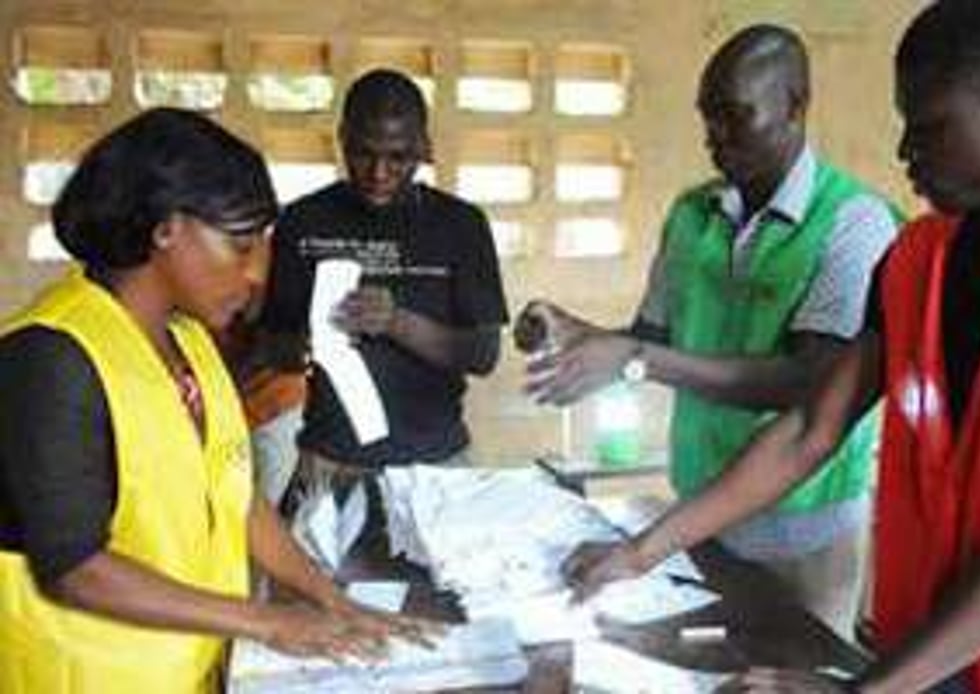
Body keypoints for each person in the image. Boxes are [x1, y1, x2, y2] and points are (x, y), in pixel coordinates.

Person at [564, 1, 980, 691]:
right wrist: (640, 552)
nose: (905, 150)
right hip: (925, 660)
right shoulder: (915, 259)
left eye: (929, 127)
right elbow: (810, 430)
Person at [0, 108, 437, 693]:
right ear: (165, 228)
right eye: (240, 246)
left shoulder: (189, 341)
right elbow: (77, 570)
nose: (259, 273)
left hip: (188, 672)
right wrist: (268, 622)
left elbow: (236, 495)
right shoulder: (50, 356)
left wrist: (329, 599)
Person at [527, 24, 900, 639]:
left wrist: (633, 357)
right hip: (699, 509)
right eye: (708, 117)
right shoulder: (693, 214)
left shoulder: (855, 223)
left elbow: (804, 385)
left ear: (796, 104)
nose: (716, 137)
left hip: (802, 527)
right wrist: (584, 337)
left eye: (735, 116)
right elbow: (654, 339)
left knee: (793, 666)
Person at [255, 69, 508, 540]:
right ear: (342, 139)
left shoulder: (460, 226)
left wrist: (395, 322)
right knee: (313, 602)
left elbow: (483, 354)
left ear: (424, 147)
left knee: (441, 606)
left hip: (436, 468)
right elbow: (276, 349)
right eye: (363, 153)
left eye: (398, 157)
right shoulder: (302, 222)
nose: (379, 172)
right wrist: (311, 340)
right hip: (329, 463)